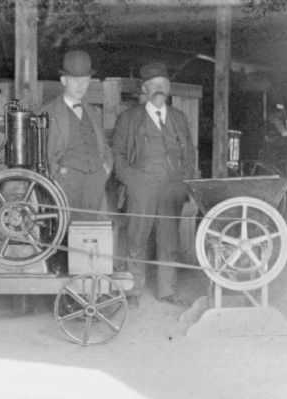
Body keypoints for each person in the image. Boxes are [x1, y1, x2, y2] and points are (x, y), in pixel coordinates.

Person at [111, 62, 196, 305]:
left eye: (163, 84)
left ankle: (166, 291)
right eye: (154, 85)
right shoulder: (129, 118)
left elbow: (190, 153)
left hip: (172, 189)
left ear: (169, 89)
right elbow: (117, 156)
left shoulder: (179, 118)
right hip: (141, 188)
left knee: (169, 241)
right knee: (136, 240)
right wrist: (132, 181)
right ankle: (133, 290)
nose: (159, 89)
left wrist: (184, 182)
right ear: (145, 89)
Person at [41, 50, 112, 222]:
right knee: (66, 236)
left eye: (85, 80)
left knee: (94, 238)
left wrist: (106, 167)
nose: (80, 86)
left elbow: (104, 145)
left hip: (96, 183)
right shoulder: (48, 112)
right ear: (64, 81)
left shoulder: (93, 112)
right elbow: (39, 151)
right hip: (66, 184)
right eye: (75, 81)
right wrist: (56, 173)